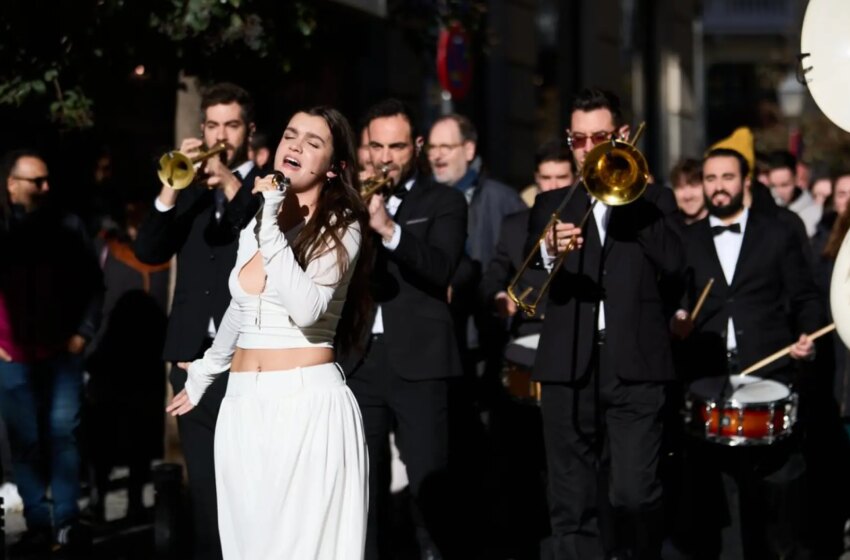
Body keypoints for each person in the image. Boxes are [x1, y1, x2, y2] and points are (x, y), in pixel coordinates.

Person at [167, 106, 371, 559]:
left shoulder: (343, 226)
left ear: (335, 168)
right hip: (242, 407)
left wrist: (271, 221)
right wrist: (207, 370)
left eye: (313, 142)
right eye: (290, 136)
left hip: (305, 406)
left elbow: (306, 307)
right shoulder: (260, 220)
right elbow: (243, 308)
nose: (295, 146)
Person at [531, 87, 685, 560]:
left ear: (621, 135)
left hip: (634, 368)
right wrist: (549, 250)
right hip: (568, 367)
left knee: (633, 494)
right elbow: (530, 286)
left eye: (599, 136)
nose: (588, 148)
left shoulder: (655, 198)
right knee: (571, 504)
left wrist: (628, 197)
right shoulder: (551, 204)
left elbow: (677, 261)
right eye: (578, 139)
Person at [670, 147, 825, 558]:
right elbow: (675, 300)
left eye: (727, 177)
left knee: (779, 486)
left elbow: (806, 297)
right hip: (708, 376)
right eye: (710, 179)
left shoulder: (777, 234)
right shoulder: (685, 240)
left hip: (771, 373)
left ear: (745, 181)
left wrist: (808, 337)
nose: (718, 187)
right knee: (717, 492)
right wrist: (679, 318)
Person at [134, 82, 262, 559]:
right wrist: (170, 187)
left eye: (231, 125)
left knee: (250, 487)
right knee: (206, 492)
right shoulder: (188, 191)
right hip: (191, 360)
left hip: (250, 359)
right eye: (212, 125)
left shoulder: (266, 184)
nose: (221, 135)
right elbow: (148, 250)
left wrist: (229, 181)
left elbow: (267, 236)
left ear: (250, 131)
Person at [341, 99, 468, 559]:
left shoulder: (444, 200)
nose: (386, 157)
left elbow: (441, 268)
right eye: (377, 146)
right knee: (363, 488)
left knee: (430, 485)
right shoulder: (346, 196)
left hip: (420, 360)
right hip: (358, 358)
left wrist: (389, 228)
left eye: (397, 146)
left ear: (416, 147)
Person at [0, 149, 103, 554]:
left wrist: (83, 334)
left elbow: (94, 285)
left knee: (64, 438)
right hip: (13, 357)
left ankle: (66, 522)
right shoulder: (2, 229)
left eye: (46, 180)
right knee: (25, 444)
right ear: (11, 184)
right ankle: (39, 523)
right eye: (35, 181)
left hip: (61, 354)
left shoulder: (67, 226)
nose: (46, 187)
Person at [766, 150, 822, 237]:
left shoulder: (814, 213)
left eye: (784, 185)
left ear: (796, 178)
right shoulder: (766, 206)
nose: (778, 192)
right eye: (773, 186)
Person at [670, 157, 707, 224]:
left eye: (694, 186)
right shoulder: (665, 229)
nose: (688, 196)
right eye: (681, 187)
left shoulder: (722, 228)